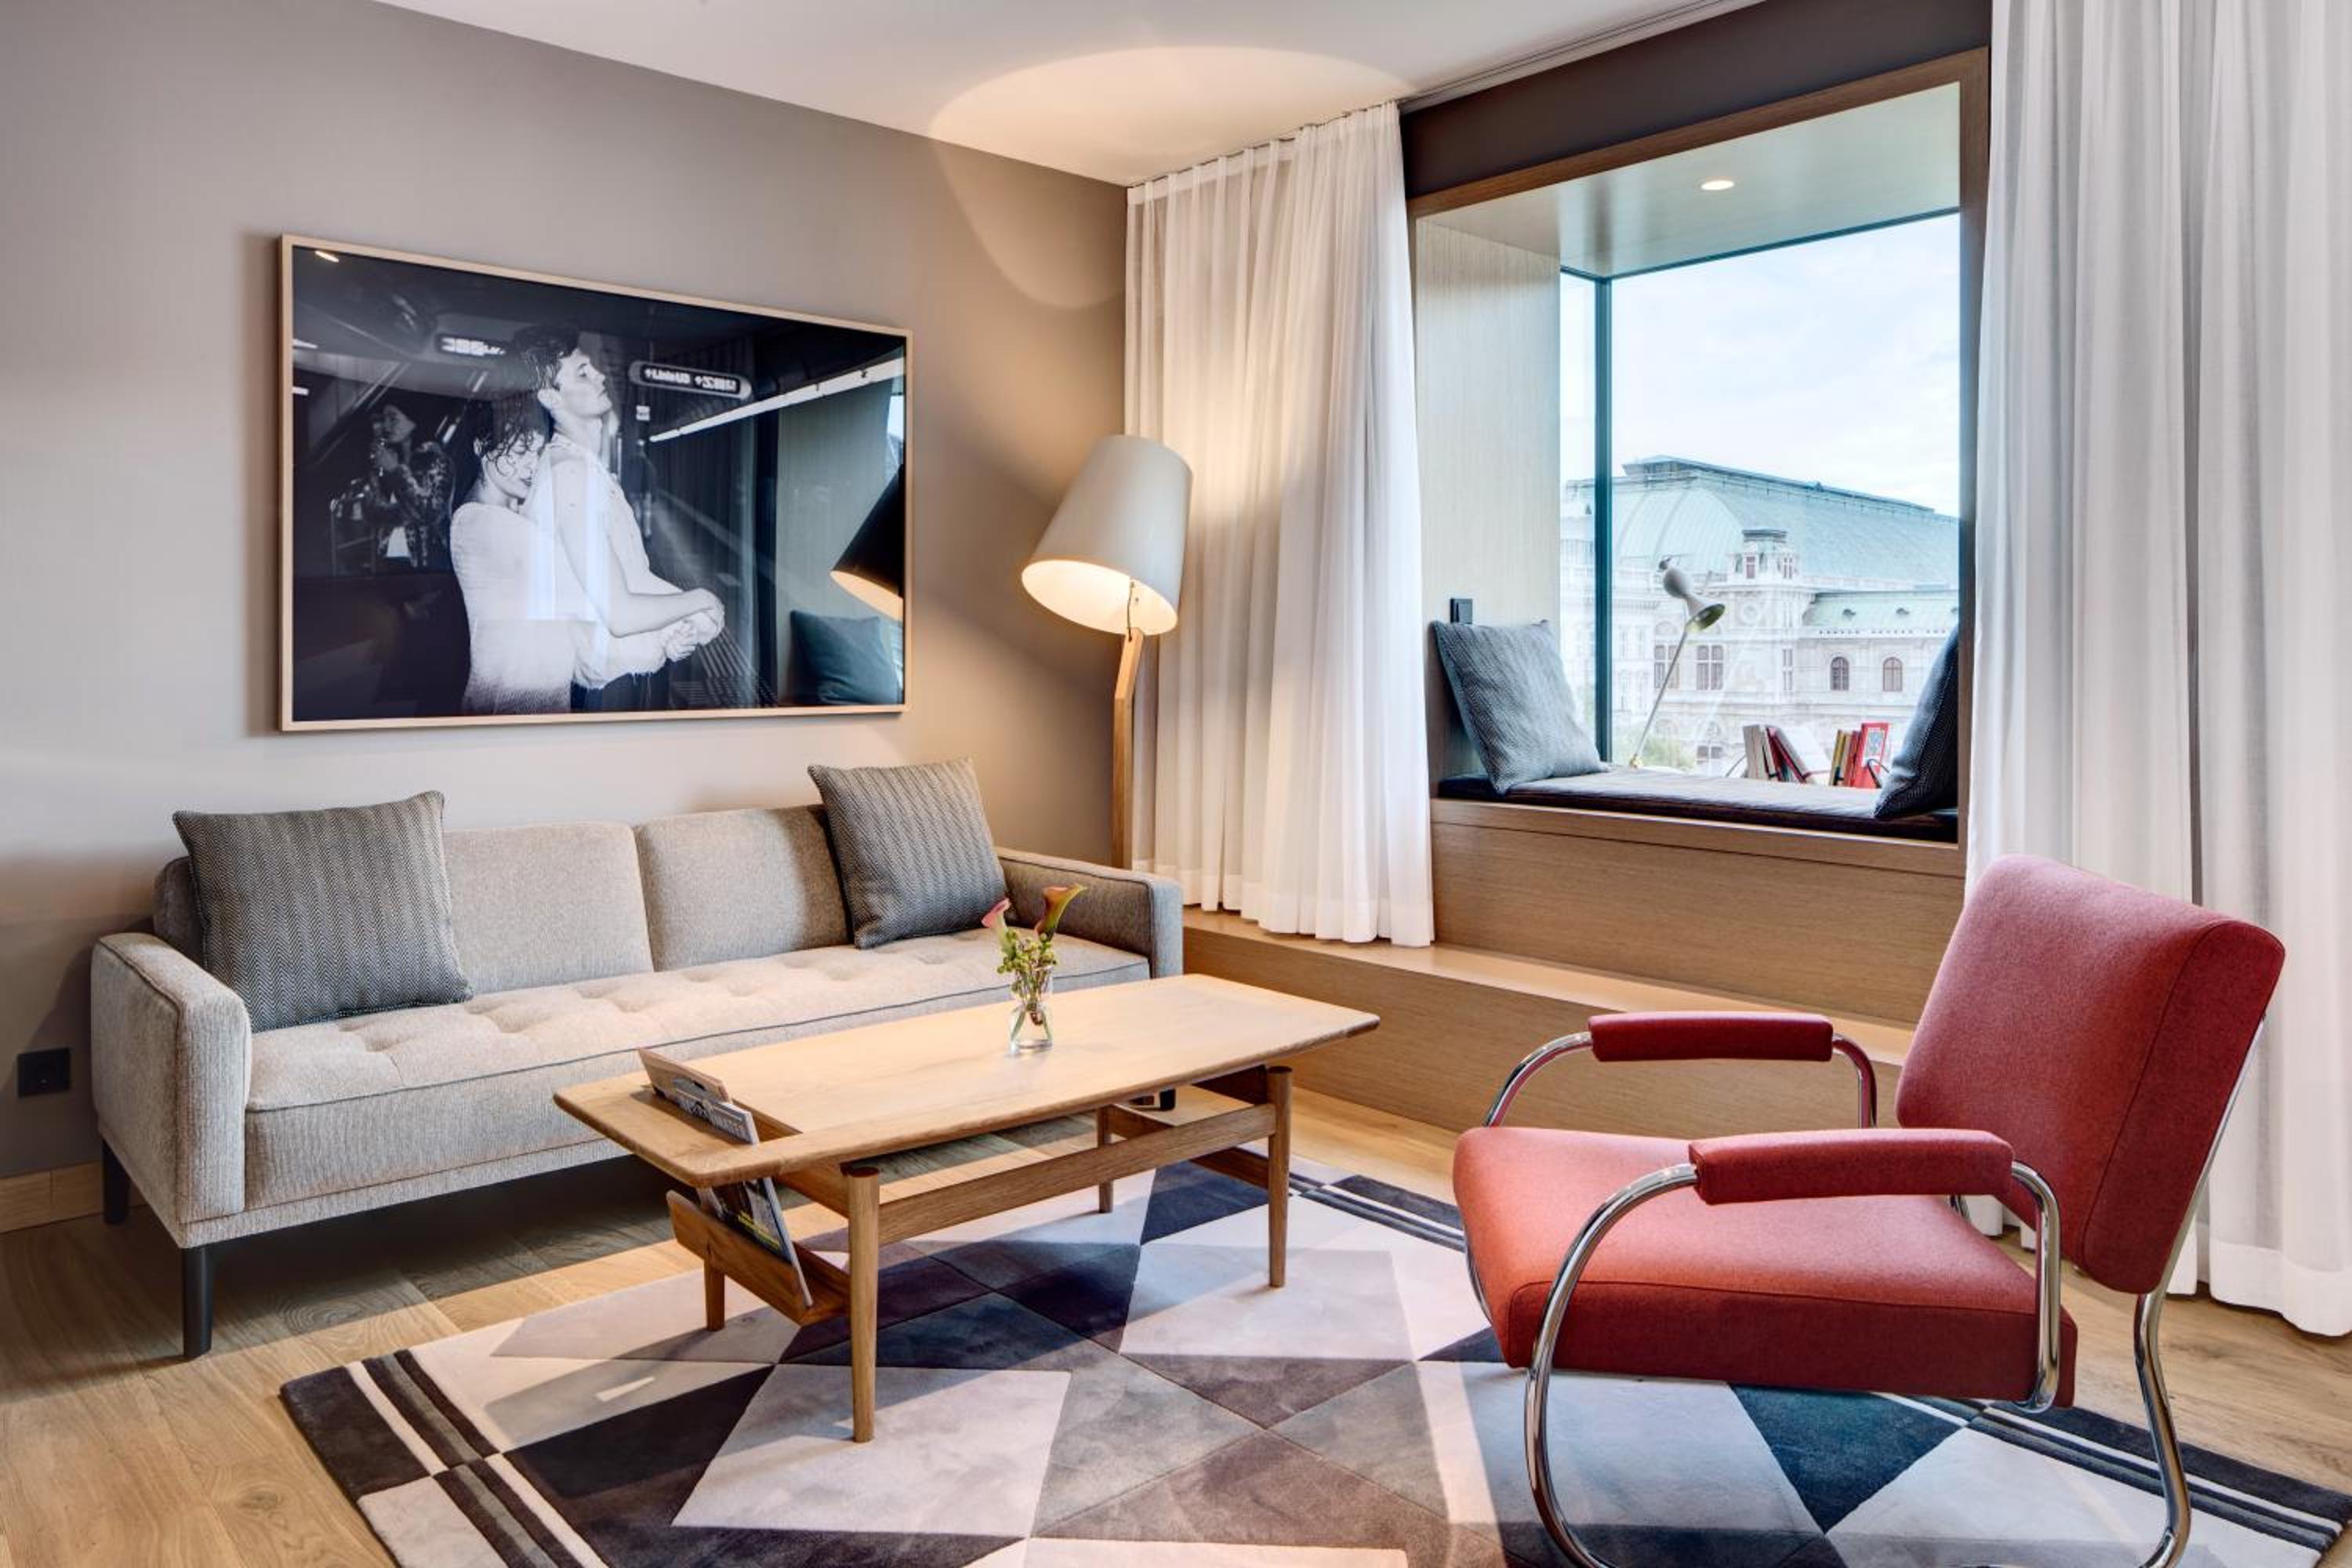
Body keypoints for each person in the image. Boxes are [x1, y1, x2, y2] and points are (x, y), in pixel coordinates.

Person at [508, 325, 722, 710]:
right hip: (605, 695)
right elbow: (620, 615)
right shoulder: (569, 475)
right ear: (550, 397)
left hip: (620, 684)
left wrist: (669, 633)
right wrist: (700, 599)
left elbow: (630, 581)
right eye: (583, 372)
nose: (600, 376)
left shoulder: (583, 469)